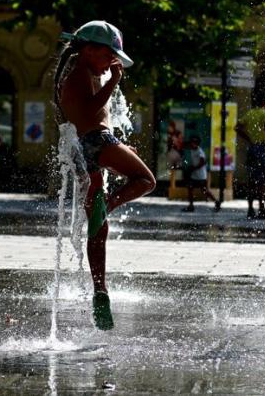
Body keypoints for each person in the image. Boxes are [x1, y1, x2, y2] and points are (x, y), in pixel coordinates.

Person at [55, 20, 156, 330]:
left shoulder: (82, 73)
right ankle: (109, 204)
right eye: (109, 58)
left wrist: (118, 145)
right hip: (96, 143)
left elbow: (90, 117)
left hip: (87, 148)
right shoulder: (80, 75)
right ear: (89, 50)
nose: (112, 65)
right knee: (146, 181)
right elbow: (90, 110)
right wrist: (113, 81)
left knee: (98, 229)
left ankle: (100, 290)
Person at [235, 93, 265, 220]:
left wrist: (249, 139)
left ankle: (250, 209)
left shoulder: (250, 113)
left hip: (253, 148)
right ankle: (262, 209)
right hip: (263, 148)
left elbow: (237, 127)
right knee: (263, 181)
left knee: (252, 179)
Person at [182, 135, 218, 212]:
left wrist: (193, 168)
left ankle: (216, 202)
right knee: (190, 188)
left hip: (201, 175)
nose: (192, 144)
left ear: (197, 144)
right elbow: (185, 145)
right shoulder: (192, 150)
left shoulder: (200, 151)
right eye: (192, 143)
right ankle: (191, 206)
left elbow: (202, 162)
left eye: (194, 143)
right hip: (194, 175)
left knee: (204, 190)